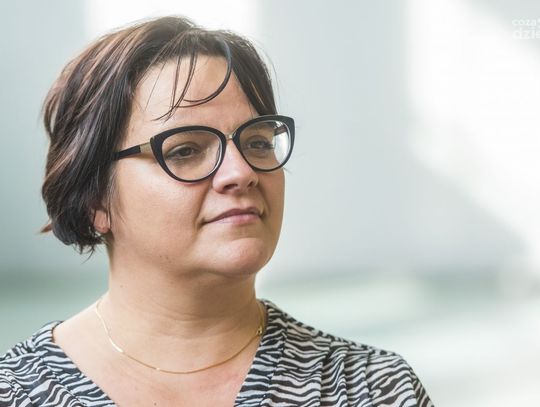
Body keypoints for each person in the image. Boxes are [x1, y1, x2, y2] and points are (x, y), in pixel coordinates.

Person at [0, 16, 433, 407]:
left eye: (258, 142)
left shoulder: (373, 389)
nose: (241, 172)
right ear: (95, 200)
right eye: (185, 150)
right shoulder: (17, 392)